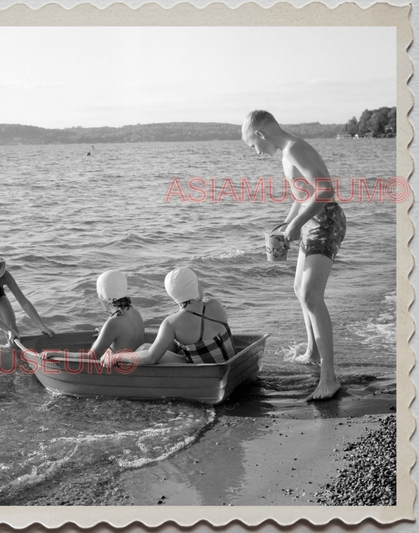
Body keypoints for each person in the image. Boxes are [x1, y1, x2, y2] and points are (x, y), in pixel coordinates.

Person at [242, 110, 346, 401]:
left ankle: (330, 377)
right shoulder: (288, 153)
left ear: (261, 133)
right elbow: (302, 197)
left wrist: (298, 224)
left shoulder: (295, 148)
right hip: (313, 222)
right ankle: (313, 352)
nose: (256, 152)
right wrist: (286, 226)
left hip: (325, 223)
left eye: (253, 145)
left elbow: (324, 190)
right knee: (300, 291)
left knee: (312, 296)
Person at [102, 267, 236, 368]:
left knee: (145, 349)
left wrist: (117, 357)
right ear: (195, 288)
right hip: (230, 363)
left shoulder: (172, 323)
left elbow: (151, 358)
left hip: (206, 371)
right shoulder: (215, 304)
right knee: (159, 347)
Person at [0, 245, 54, 349]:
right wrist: (7, 330)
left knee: (13, 333)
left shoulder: (5, 275)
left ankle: (15, 361)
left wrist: (41, 326)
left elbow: (23, 301)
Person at [90, 270, 145, 358]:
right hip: (134, 363)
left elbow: (92, 356)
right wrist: (104, 334)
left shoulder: (114, 322)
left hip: (122, 368)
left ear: (103, 296)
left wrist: (60, 354)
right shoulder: (135, 312)